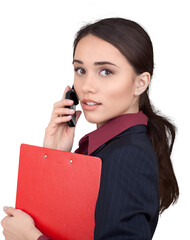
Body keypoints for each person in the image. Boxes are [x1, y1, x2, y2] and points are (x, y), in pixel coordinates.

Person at [1, 17, 179, 240]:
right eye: (81, 70)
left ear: (140, 83)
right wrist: (56, 157)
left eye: (106, 72)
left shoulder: (128, 155)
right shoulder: (107, 147)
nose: (86, 86)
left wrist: (31, 238)